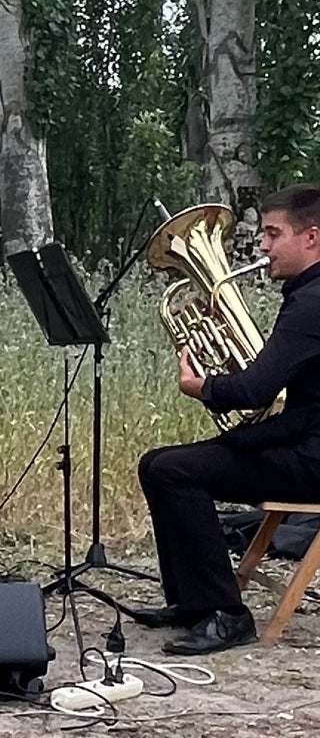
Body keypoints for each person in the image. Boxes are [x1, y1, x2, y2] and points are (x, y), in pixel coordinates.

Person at [136, 184, 320, 655]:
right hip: (303, 438)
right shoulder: (308, 295)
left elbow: (256, 390)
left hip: (312, 461)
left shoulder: (311, 303)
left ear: (311, 238)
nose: (262, 246)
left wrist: (204, 386)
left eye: (273, 234)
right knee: (157, 463)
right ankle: (194, 603)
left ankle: (226, 614)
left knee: (173, 470)